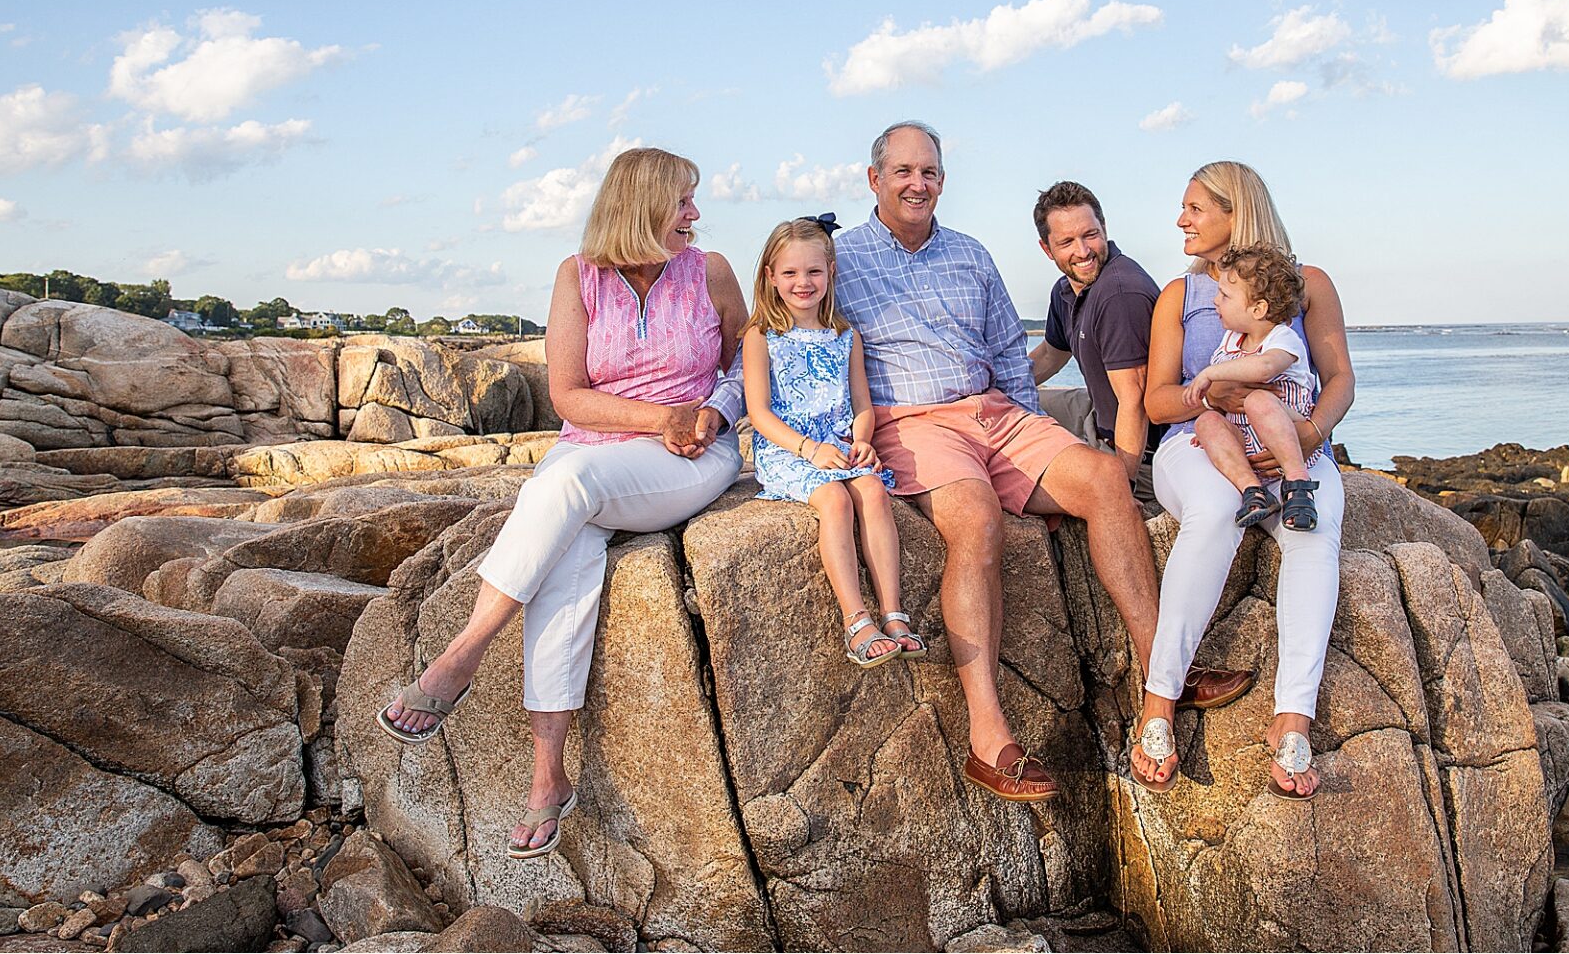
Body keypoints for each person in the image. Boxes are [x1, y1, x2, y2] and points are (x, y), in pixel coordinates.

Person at [833, 121, 1241, 804]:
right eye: (904, 171)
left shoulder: (971, 254)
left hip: (994, 410)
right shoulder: (841, 260)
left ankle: (1164, 669)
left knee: (1106, 477)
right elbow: (792, 337)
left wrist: (1035, 447)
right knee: (976, 518)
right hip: (911, 420)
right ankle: (988, 738)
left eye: (930, 171)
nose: (919, 183)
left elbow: (1009, 359)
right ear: (874, 179)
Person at [376, 147, 747, 858]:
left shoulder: (713, 271)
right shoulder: (578, 276)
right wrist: (651, 417)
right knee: (567, 548)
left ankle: (462, 652)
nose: (695, 215)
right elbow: (568, 395)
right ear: (640, 206)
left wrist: (711, 414)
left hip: (692, 457)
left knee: (562, 488)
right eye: (682, 202)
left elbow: (743, 362)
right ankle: (548, 777)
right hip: (596, 442)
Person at [1141, 161, 1354, 800]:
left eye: (1194, 208)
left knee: (1314, 534)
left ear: (1238, 214)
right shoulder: (1179, 296)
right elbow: (1156, 402)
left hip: (1289, 441)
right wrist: (1219, 400)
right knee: (1213, 511)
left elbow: (1340, 379)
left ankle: (1293, 718)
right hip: (1199, 443)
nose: (1181, 220)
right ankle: (1159, 702)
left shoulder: (1307, 283)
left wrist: (1309, 434)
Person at [741, 216, 920, 668]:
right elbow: (759, 413)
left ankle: (893, 611)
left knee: (874, 490)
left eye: (814, 271)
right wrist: (808, 449)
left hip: (838, 443)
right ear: (771, 277)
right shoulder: (762, 337)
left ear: (831, 272)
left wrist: (862, 440)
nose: (803, 282)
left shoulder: (845, 336)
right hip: (790, 449)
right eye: (791, 273)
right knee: (836, 501)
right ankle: (855, 617)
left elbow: (863, 403)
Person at [1027, 181, 1163, 500]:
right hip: (1097, 414)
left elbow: (1135, 400)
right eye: (1067, 242)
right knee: (1005, 409)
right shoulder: (1066, 288)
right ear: (1047, 249)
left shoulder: (1120, 294)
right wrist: (993, 389)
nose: (1083, 251)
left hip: (1141, 453)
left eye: (1090, 235)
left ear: (1104, 227)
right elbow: (1050, 355)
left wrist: (1120, 491)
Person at [1184, 244, 1320, 533]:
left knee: (1259, 400)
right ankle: (1253, 491)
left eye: (1225, 295)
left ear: (1258, 309)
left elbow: (1264, 368)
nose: (1215, 301)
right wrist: (1216, 433)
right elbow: (1226, 400)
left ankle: (1298, 485)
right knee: (1207, 421)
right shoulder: (1231, 340)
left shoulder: (1283, 339)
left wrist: (1210, 373)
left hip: (1287, 432)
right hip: (1247, 439)